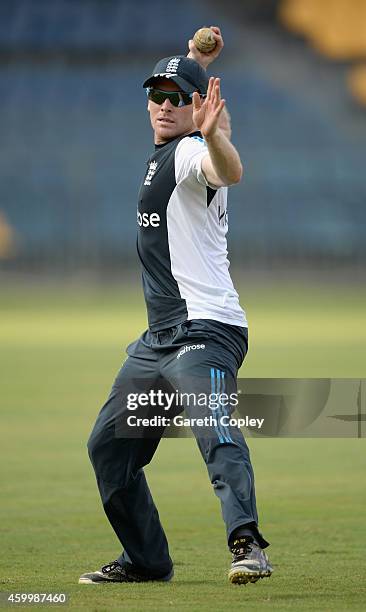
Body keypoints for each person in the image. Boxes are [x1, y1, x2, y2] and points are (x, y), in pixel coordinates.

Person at [79, 27, 272, 586]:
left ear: (196, 111)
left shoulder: (191, 153)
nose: (163, 106)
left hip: (206, 329)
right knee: (108, 450)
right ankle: (147, 560)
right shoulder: (171, 144)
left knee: (214, 426)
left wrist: (213, 137)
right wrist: (194, 61)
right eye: (155, 96)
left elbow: (228, 170)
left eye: (176, 99)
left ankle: (248, 544)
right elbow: (191, 93)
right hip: (158, 338)